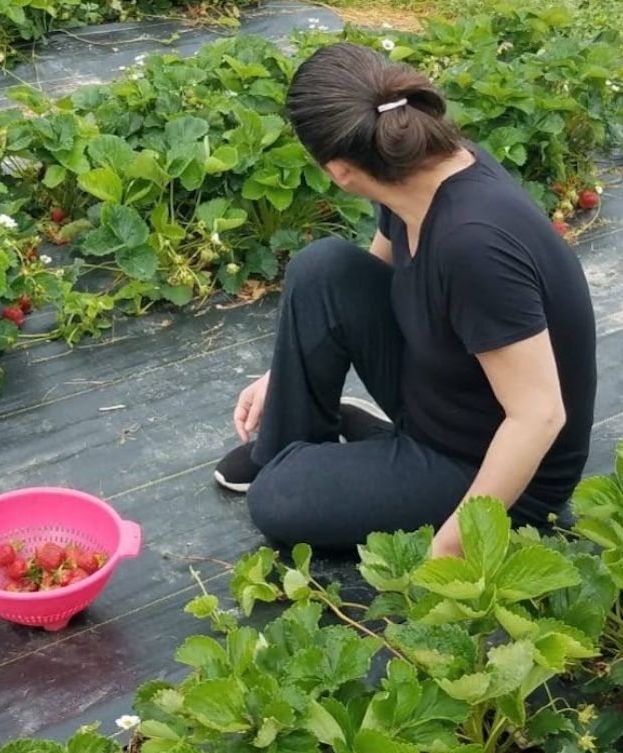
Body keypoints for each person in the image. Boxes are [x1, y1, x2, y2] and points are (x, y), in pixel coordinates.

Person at [212, 43, 597, 557]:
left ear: (339, 171)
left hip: (499, 467)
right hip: (448, 395)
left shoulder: (473, 244)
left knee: (278, 500)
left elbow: (540, 415)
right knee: (323, 267)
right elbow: (370, 277)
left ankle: (323, 462)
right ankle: (296, 446)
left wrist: (453, 550)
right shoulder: (417, 171)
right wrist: (288, 374)